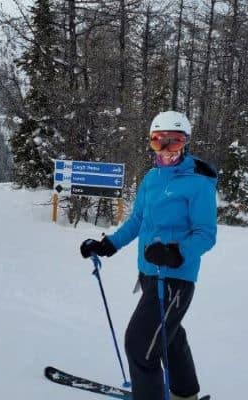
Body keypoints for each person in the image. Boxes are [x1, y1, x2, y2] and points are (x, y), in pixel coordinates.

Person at [80, 111, 217, 400]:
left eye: (174, 142)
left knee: (141, 346)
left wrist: (175, 253)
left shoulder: (198, 183)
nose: (166, 151)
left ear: (185, 143)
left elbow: (206, 234)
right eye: (158, 143)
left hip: (176, 279)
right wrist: (108, 245)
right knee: (169, 335)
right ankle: (185, 395)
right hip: (150, 274)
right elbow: (138, 220)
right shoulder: (151, 178)